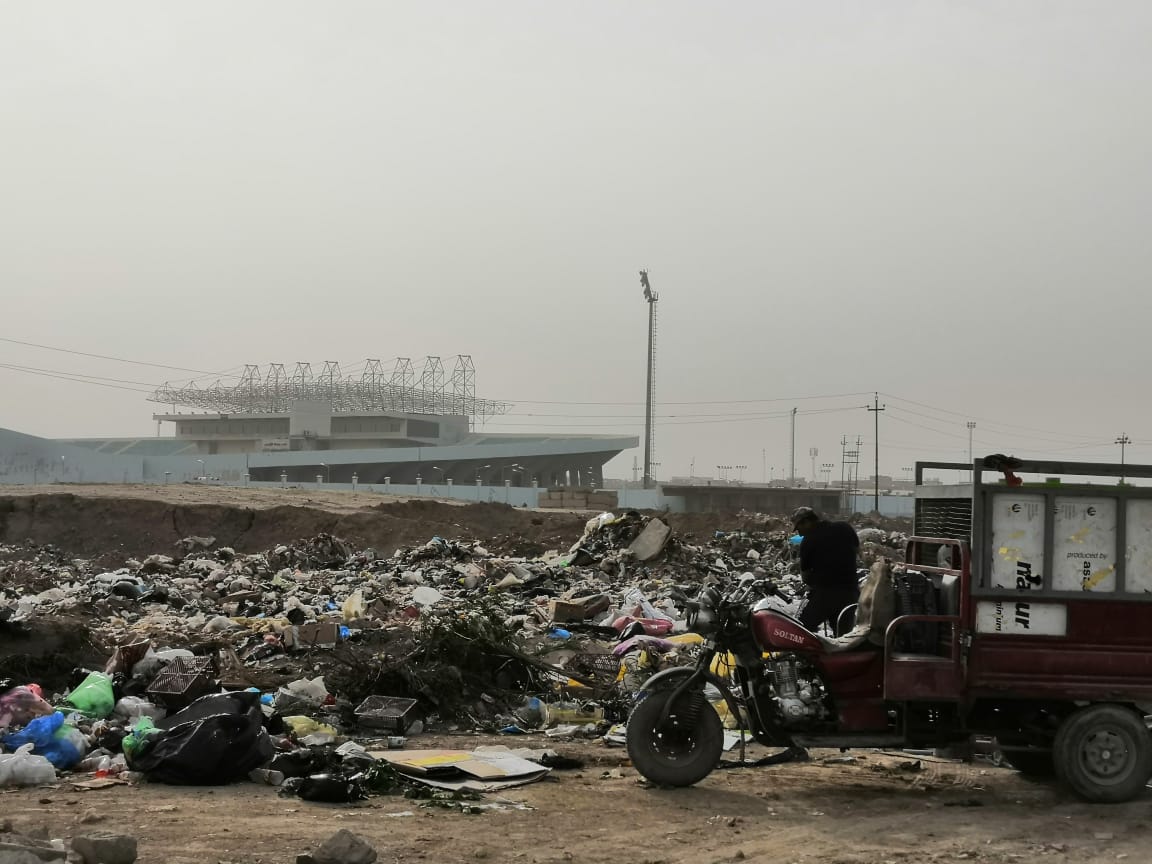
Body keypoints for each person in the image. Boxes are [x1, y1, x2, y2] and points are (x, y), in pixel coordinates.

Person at [792, 507, 860, 637]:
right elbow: (857, 551)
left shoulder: (808, 540)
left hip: (825, 594)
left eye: (799, 528)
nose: (800, 534)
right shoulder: (845, 528)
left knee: (799, 631)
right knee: (843, 638)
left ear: (807, 521)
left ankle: (806, 657)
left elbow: (805, 577)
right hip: (850, 593)